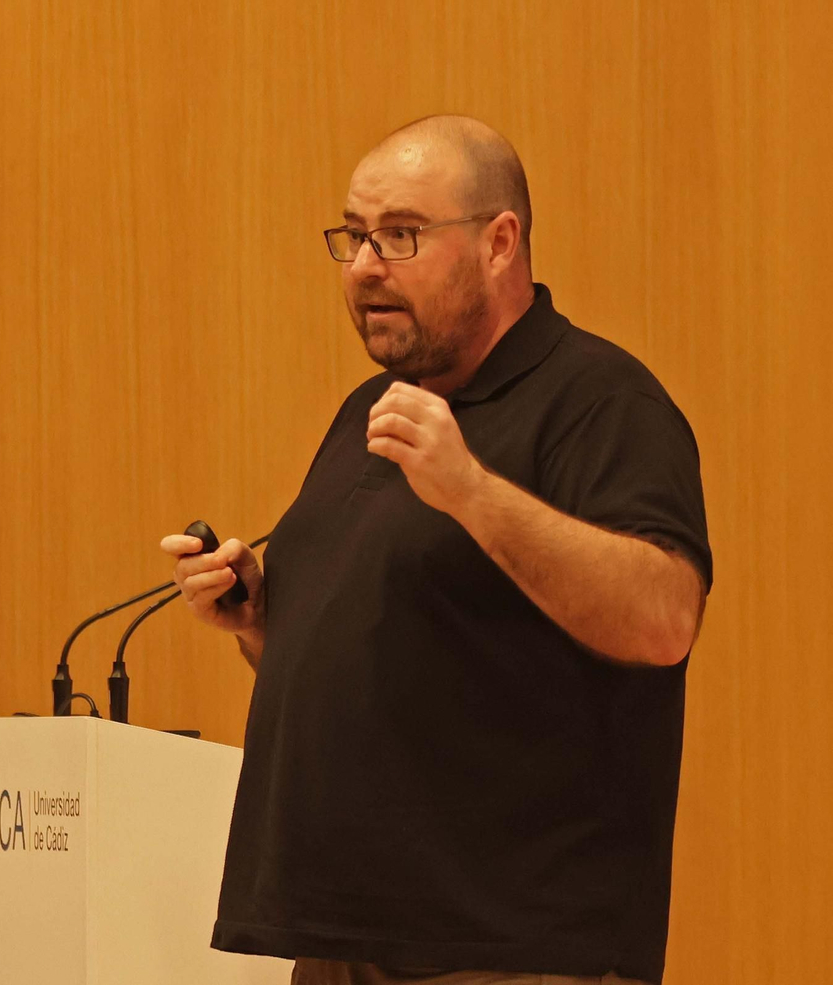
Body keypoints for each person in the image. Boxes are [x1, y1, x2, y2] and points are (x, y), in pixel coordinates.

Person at [161, 115, 710, 985]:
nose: (365, 265)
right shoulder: (368, 411)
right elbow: (402, 660)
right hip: (344, 936)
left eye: (401, 235)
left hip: (514, 950)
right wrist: (262, 623)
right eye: (353, 236)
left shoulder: (602, 403)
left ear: (500, 242)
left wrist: (475, 493)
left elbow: (664, 617)